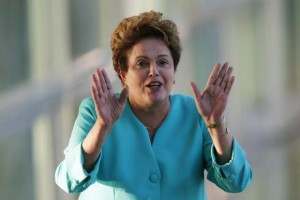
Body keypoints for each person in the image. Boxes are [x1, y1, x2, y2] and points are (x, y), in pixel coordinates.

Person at [55, 10, 252, 200]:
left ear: (173, 70)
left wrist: (216, 124)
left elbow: (238, 181)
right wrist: (102, 127)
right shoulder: (94, 112)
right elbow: (69, 181)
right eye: (142, 64)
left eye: (163, 62)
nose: (154, 71)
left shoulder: (197, 114)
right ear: (123, 74)